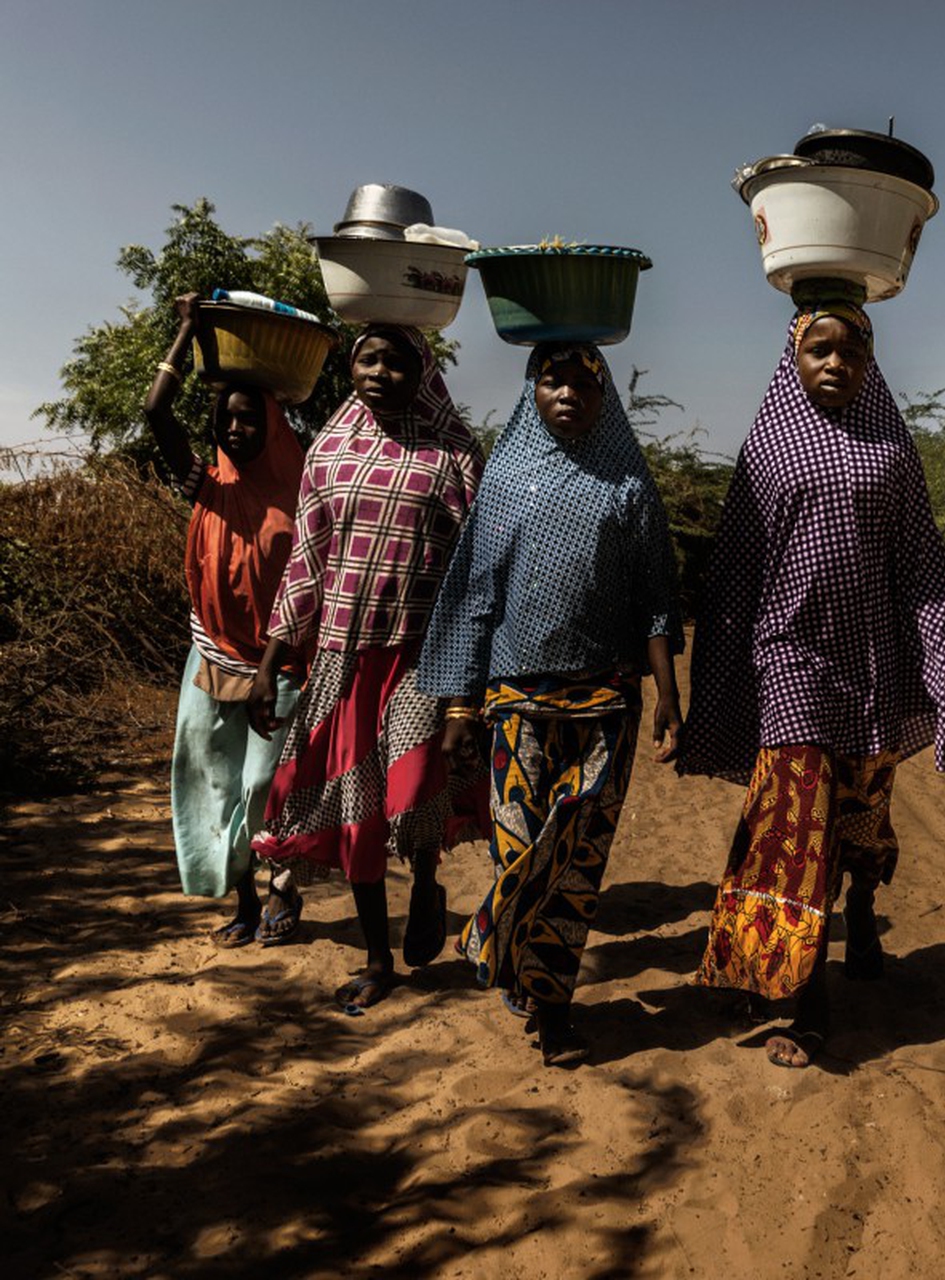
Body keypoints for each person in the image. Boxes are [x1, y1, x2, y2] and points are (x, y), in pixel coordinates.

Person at [678, 286, 945, 1068]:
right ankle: (807, 999)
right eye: (818, 348)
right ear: (791, 357)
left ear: (872, 363)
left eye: (852, 350)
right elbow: (734, 571)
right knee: (792, 829)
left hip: (873, 661)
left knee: (860, 814)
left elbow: (925, 565)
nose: (836, 362)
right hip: (789, 660)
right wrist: (713, 687)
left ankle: (863, 904)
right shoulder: (766, 452)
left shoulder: (892, 455)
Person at [419, 342, 683, 1066]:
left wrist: (668, 693)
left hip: (605, 706)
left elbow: (658, 600)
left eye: (584, 382)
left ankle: (539, 988)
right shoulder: (505, 480)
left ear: (606, 399)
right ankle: (532, 977)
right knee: (521, 847)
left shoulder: (628, 487)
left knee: (575, 860)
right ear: (531, 389)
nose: (567, 392)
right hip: (515, 704)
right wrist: (458, 708)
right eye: (551, 378)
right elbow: (476, 599)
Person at [247, 325, 488, 1014]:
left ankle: (425, 885)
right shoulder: (327, 450)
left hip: (422, 657)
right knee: (357, 812)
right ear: (351, 368)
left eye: (396, 362)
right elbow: (306, 562)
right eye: (367, 360)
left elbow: (473, 568)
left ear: (423, 370)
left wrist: (466, 683)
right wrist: (270, 664)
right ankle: (379, 957)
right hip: (343, 656)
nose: (379, 373)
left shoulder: (453, 453)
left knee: (412, 792)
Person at [143, 293, 305, 947]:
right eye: (227, 419)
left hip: (280, 664)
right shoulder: (206, 480)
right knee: (215, 779)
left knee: (266, 782)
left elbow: (304, 586)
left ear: (273, 423)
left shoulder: (298, 492)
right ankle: (244, 898)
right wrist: (188, 332)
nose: (236, 430)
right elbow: (155, 409)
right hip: (211, 657)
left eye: (248, 419)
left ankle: (283, 889)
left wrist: (271, 668)